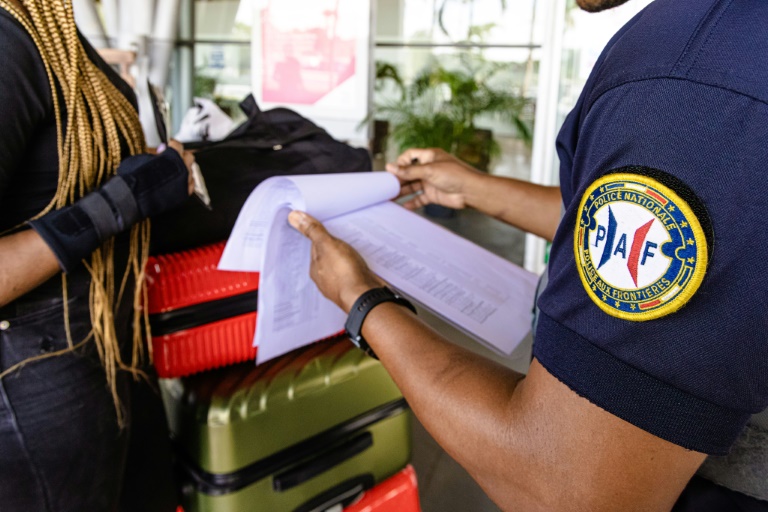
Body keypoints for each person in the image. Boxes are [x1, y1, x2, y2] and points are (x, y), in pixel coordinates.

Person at [287, 0, 768, 510]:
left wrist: (361, 300)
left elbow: (563, 487)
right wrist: (474, 188)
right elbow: (626, 233)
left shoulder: (692, 78)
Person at [0, 0, 195, 510]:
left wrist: (147, 172)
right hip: (35, 393)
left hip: (104, 354)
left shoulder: (52, 25)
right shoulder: (7, 36)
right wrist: (125, 197)